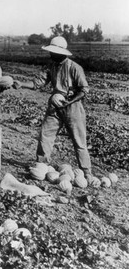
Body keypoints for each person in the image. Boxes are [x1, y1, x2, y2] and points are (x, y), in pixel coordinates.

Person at [13, 36, 93, 177]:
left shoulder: (74, 68)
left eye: (53, 52)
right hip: (55, 105)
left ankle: (87, 173)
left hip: (72, 106)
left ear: (61, 53)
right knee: (45, 134)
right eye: (51, 52)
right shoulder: (51, 66)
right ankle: (42, 166)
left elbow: (84, 90)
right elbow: (38, 83)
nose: (51, 55)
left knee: (79, 140)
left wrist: (69, 101)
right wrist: (22, 84)